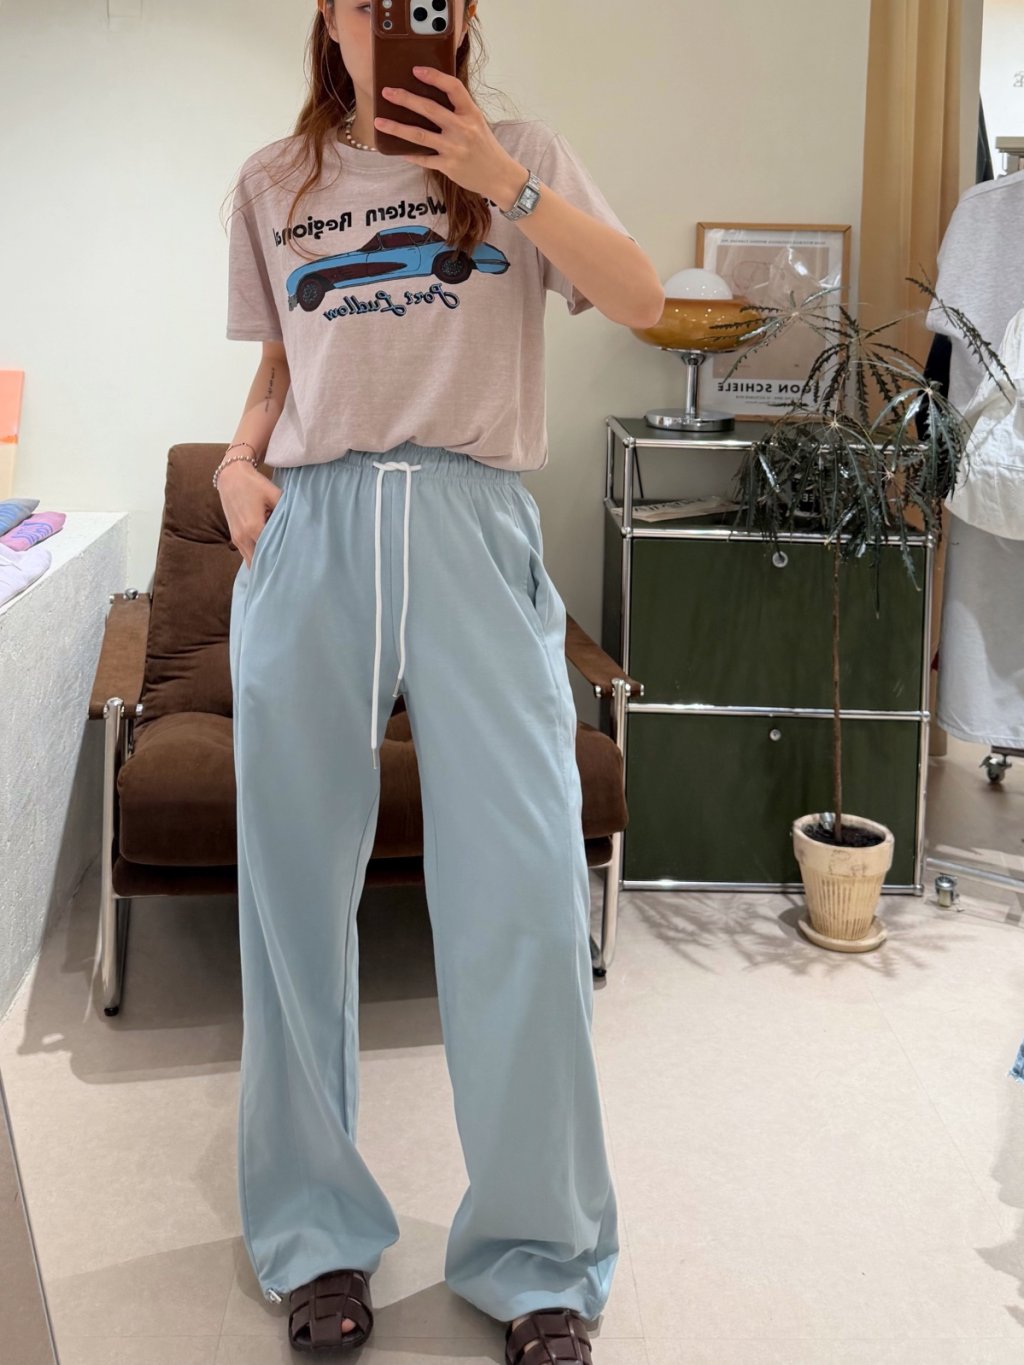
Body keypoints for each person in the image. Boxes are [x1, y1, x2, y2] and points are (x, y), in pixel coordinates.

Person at [216, 1, 664, 1359]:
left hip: (473, 521)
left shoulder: (524, 152)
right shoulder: (274, 182)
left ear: (458, 17)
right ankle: (314, 1233)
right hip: (316, 531)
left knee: (524, 890)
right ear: (330, 19)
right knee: (293, 897)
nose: (393, 15)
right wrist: (238, 463)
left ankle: (538, 1255)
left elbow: (643, 301)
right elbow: (285, 361)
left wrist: (502, 180)